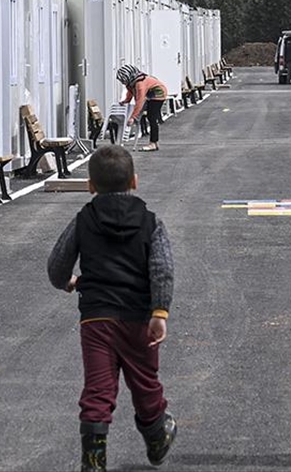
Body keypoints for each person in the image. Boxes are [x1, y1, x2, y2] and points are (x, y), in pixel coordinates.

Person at [47, 145, 177, 472]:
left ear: (91, 186)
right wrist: (159, 312)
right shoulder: (151, 223)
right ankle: (157, 439)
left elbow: (57, 263)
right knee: (145, 381)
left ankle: (93, 461)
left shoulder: (84, 219)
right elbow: (162, 268)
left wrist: (68, 281)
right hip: (138, 318)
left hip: (96, 318)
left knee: (98, 387)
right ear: (135, 180)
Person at [116, 65, 168, 152]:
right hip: (151, 94)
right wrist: (126, 100)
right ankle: (155, 142)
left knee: (152, 117)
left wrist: (133, 117)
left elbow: (140, 101)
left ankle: (153, 143)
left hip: (158, 93)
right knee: (151, 117)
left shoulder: (140, 84)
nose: (123, 83)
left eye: (123, 81)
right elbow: (130, 92)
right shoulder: (132, 83)